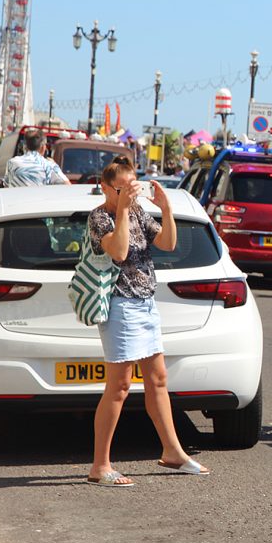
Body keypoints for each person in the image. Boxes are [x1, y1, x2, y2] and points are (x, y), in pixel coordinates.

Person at [87, 156, 208, 487]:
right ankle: (100, 465)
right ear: (105, 188)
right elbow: (119, 252)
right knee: (119, 386)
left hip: (145, 303)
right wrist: (123, 210)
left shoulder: (138, 211)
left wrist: (166, 209)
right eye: (121, 189)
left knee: (158, 379)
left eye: (133, 187)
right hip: (120, 305)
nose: (129, 194)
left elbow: (167, 243)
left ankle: (173, 451)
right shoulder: (100, 217)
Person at [4, 129, 71, 187]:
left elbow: (6, 185)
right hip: (40, 198)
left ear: (25, 147)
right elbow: (67, 186)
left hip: (16, 198)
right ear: (43, 147)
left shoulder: (12, 163)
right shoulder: (49, 165)